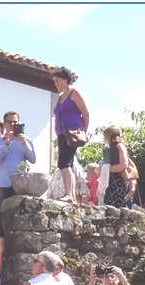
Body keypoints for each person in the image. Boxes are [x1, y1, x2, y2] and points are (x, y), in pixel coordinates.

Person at [51, 67, 90, 204]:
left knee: (64, 163)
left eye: (58, 80)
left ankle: (69, 194)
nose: (55, 83)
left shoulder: (75, 93)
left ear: (66, 79)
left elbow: (85, 113)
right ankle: (71, 195)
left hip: (72, 132)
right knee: (66, 163)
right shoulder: (61, 97)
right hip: (62, 134)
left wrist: (83, 131)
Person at [0, 111, 36, 214]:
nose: (12, 125)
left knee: (18, 216)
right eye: (9, 122)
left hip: (20, 185)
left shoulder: (27, 140)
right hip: (3, 184)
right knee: (1, 215)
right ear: (4, 124)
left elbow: (33, 160)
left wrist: (24, 143)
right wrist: (6, 143)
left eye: (15, 122)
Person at [100, 126, 133, 208]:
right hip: (110, 181)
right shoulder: (111, 147)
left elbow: (123, 165)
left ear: (109, 135)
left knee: (116, 206)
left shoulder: (119, 146)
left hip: (117, 182)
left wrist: (106, 168)